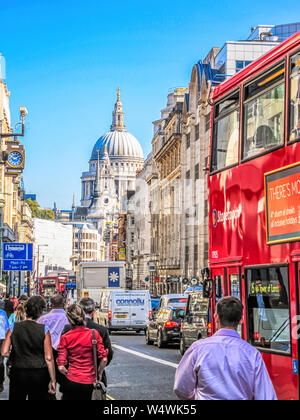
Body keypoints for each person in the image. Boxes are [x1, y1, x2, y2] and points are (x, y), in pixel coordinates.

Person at [174, 296, 277, 401]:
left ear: (216, 318)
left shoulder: (198, 349)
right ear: (241, 320)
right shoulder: (252, 354)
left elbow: (181, 388)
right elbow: (266, 396)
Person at [1, 295, 56, 400]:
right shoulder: (44, 329)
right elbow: (48, 358)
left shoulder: (13, 327)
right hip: (39, 373)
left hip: (18, 372)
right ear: (40, 312)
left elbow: (4, 352)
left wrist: (15, 354)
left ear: (26, 309)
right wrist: (53, 379)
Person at [57, 304, 108, 401]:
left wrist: (68, 373)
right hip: (89, 381)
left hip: (72, 381)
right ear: (83, 316)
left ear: (69, 319)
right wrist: (99, 373)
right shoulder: (94, 334)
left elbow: (61, 366)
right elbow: (104, 359)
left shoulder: (65, 337)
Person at [61, 297, 113, 386]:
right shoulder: (102, 330)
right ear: (93, 312)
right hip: (94, 376)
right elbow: (108, 355)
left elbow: (62, 354)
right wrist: (99, 370)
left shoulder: (67, 329)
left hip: (72, 377)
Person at [38, 294, 69, 393]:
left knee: (48, 387)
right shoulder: (69, 318)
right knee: (66, 387)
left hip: (47, 354)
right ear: (63, 303)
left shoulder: (42, 319)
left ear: (51, 304)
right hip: (65, 355)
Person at [0, 308, 9, 393]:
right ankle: (0, 383)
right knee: (0, 361)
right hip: (1, 338)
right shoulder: (2, 312)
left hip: (1, 338)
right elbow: (7, 327)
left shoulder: (3, 312)